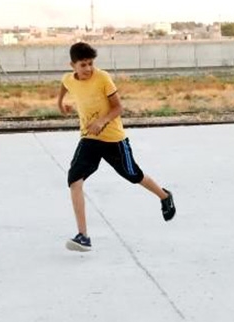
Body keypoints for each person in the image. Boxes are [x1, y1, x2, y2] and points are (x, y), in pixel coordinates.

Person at [57, 42, 176, 252]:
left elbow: (118, 107)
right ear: (72, 65)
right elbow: (64, 86)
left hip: (113, 139)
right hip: (89, 138)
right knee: (74, 180)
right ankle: (83, 236)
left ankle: (165, 196)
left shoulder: (102, 78)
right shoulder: (69, 78)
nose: (87, 69)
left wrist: (102, 121)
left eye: (90, 64)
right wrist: (61, 104)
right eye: (83, 65)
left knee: (133, 175)